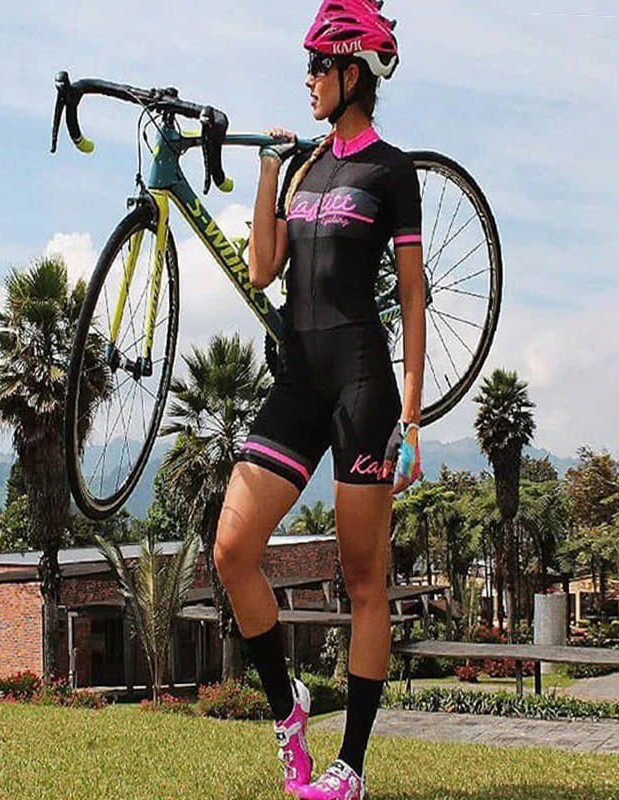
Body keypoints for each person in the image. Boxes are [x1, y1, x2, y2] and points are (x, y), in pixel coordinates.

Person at [213, 1, 425, 798]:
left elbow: (412, 298)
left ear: (352, 73)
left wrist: (412, 417)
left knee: (364, 581)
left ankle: (351, 766)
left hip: (363, 384)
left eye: (317, 65)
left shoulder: (391, 171)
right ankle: (289, 706)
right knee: (232, 550)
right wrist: (270, 171)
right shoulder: (303, 167)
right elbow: (263, 269)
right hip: (299, 381)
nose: (306, 79)